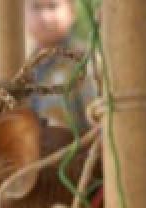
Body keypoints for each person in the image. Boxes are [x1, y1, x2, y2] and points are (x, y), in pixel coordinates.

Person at [25, 0, 95, 134]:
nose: (44, 17)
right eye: (36, 7)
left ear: (72, 12)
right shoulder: (21, 69)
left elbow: (99, 125)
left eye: (52, 6)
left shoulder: (85, 61)